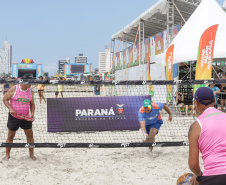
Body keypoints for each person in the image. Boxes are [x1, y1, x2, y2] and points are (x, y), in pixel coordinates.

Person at [188, 87, 226, 185]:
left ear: (196, 103)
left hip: (214, 176)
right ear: (214, 100)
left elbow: (193, 165)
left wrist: (199, 175)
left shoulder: (195, 127)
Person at [3, 82, 36, 161]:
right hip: (14, 117)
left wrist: (32, 113)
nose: (31, 84)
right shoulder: (14, 89)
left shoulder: (30, 91)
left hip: (25, 117)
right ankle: (7, 155)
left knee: (30, 135)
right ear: (24, 82)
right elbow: (5, 99)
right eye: (29, 83)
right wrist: (10, 108)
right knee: (11, 135)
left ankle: (31, 154)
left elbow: (32, 104)